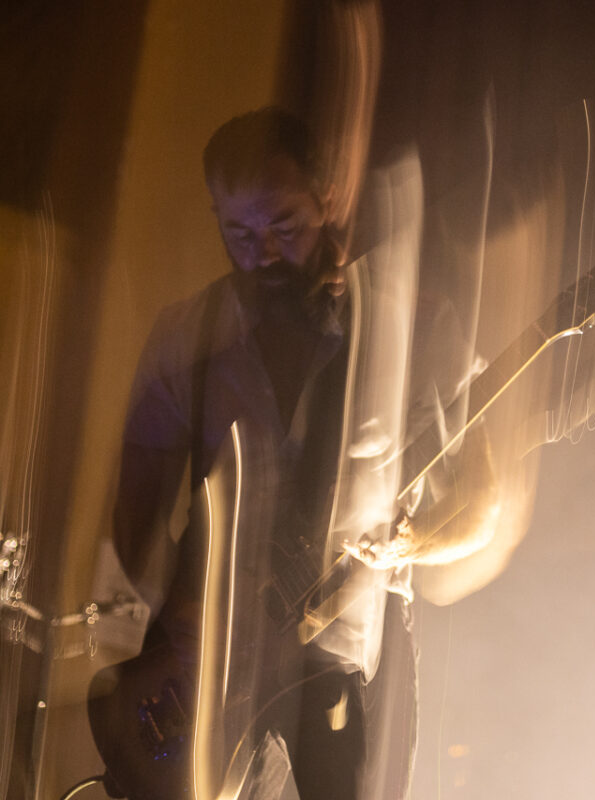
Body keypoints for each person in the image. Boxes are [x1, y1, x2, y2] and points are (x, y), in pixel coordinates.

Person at [102, 107, 499, 800]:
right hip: (206, 672)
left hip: (349, 657)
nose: (263, 254)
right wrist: (178, 610)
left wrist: (414, 543)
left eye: (284, 227)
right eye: (238, 233)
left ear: (329, 203)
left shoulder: (414, 327)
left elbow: (481, 501)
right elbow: (134, 509)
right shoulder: (185, 336)